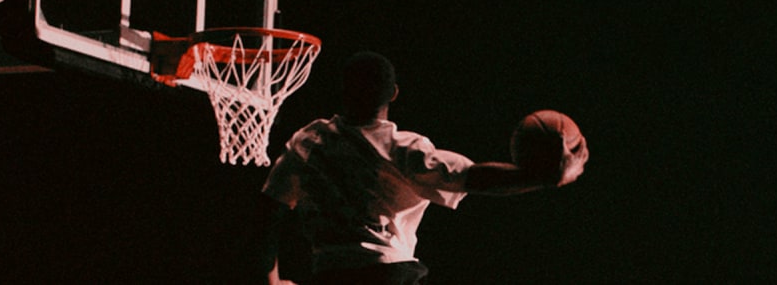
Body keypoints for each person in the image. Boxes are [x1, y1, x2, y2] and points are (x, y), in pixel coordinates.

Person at [248, 51, 587, 285]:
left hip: (329, 275)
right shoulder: (403, 150)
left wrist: (272, 280)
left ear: (343, 90)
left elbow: (266, 215)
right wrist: (544, 177)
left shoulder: (307, 142)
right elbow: (475, 177)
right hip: (387, 275)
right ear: (393, 93)